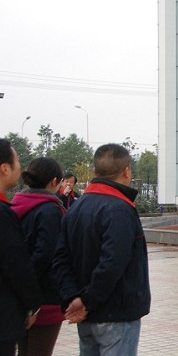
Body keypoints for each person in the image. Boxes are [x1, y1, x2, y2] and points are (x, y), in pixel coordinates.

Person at [53, 144, 151, 356]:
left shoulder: (76, 208)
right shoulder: (120, 209)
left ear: (95, 171)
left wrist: (74, 297)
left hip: (87, 313)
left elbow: (60, 259)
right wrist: (86, 301)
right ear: (126, 171)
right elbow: (113, 262)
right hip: (116, 314)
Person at [11, 157, 66, 356]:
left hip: (17, 296)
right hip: (45, 299)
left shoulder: (14, 205)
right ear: (54, 181)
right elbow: (45, 254)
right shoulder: (51, 210)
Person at [0, 139, 41, 356]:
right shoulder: (3, 214)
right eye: (16, 161)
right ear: (4, 168)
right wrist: (32, 304)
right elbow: (16, 266)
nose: (20, 167)